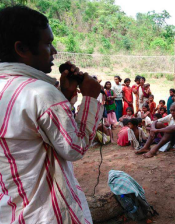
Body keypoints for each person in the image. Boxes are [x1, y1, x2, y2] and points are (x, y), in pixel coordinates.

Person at [0, 6, 102, 223]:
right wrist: (91, 98)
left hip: (10, 210)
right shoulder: (41, 93)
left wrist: (63, 96)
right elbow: (75, 148)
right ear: (21, 48)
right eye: (47, 43)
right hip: (46, 213)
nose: (54, 51)